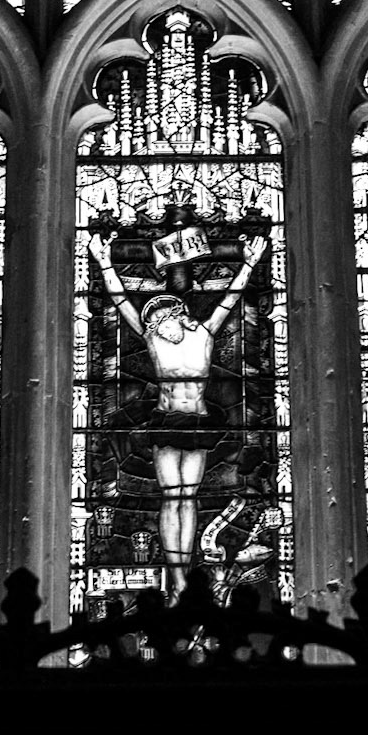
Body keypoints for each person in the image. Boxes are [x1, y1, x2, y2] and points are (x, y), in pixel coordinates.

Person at [89, 231, 267, 593]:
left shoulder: (204, 335)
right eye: (154, 325)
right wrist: (104, 263)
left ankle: (183, 573)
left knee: (189, 498)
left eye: (163, 321)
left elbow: (230, 299)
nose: (158, 328)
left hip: (199, 424)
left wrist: (249, 264)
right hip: (167, 423)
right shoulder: (154, 342)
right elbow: (122, 302)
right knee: (172, 497)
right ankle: (178, 579)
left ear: (179, 315)